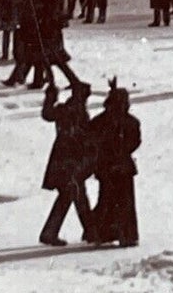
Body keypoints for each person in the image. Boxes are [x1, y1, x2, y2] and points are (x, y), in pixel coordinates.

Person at [39, 77, 95, 247]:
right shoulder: (73, 111)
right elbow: (48, 115)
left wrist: (51, 97)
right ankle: (50, 233)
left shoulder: (68, 109)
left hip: (66, 159)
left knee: (76, 195)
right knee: (71, 195)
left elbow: (48, 114)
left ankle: (90, 231)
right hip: (68, 160)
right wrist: (51, 96)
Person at [87, 82, 141, 247]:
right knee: (116, 200)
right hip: (116, 166)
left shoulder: (101, 121)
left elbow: (134, 141)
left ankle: (109, 233)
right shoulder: (129, 121)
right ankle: (121, 234)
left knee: (110, 200)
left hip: (112, 166)